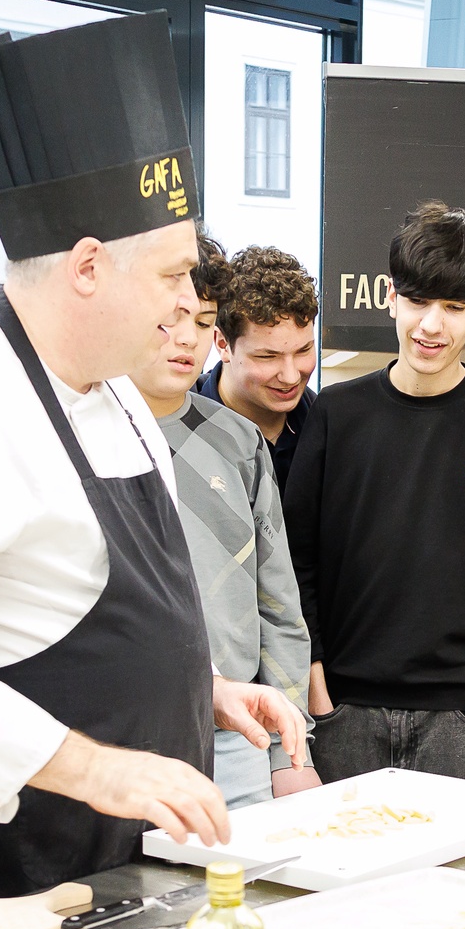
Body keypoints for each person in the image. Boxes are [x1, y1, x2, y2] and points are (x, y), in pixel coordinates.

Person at [0, 14, 303, 918]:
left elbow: (93, 609)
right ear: (85, 267)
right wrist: (98, 767)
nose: (191, 305)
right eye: (172, 276)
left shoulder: (114, 389)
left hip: (91, 860)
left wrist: (203, 688)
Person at [285, 202, 465, 782]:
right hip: (341, 715)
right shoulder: (336, 414)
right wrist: (319, 694)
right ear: (389, 296)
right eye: (417, 301)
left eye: (454, 307)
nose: (432, 325)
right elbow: (292, 565)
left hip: (459, 722)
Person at [128, 232, 315, 808]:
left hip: (238, 735)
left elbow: (278, 603)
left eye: (203, 321)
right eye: (168, 321)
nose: (186, 339)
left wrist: (292, 749)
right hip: (126, 734)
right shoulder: (86, 433)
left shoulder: (238, 440)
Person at [196, 245, 320, 487]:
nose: (290, 376)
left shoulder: (329, 431)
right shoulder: (177, 428)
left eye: (303, 350)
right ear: (222, 344)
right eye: (268, 357)